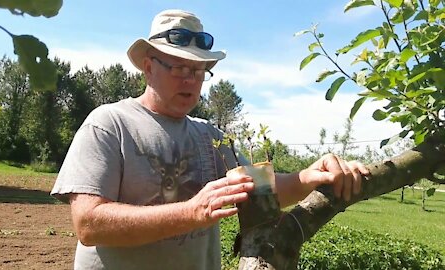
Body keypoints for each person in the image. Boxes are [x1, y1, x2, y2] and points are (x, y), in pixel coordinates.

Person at [51, 9, 370, 270]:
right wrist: (191, 212)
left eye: (199, 70)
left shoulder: (211, 136)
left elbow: (260, 192)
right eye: (180, 67)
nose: (191, 79)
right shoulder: (109, 124)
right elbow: (89, 223)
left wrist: (311, 176)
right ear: (149, 67)